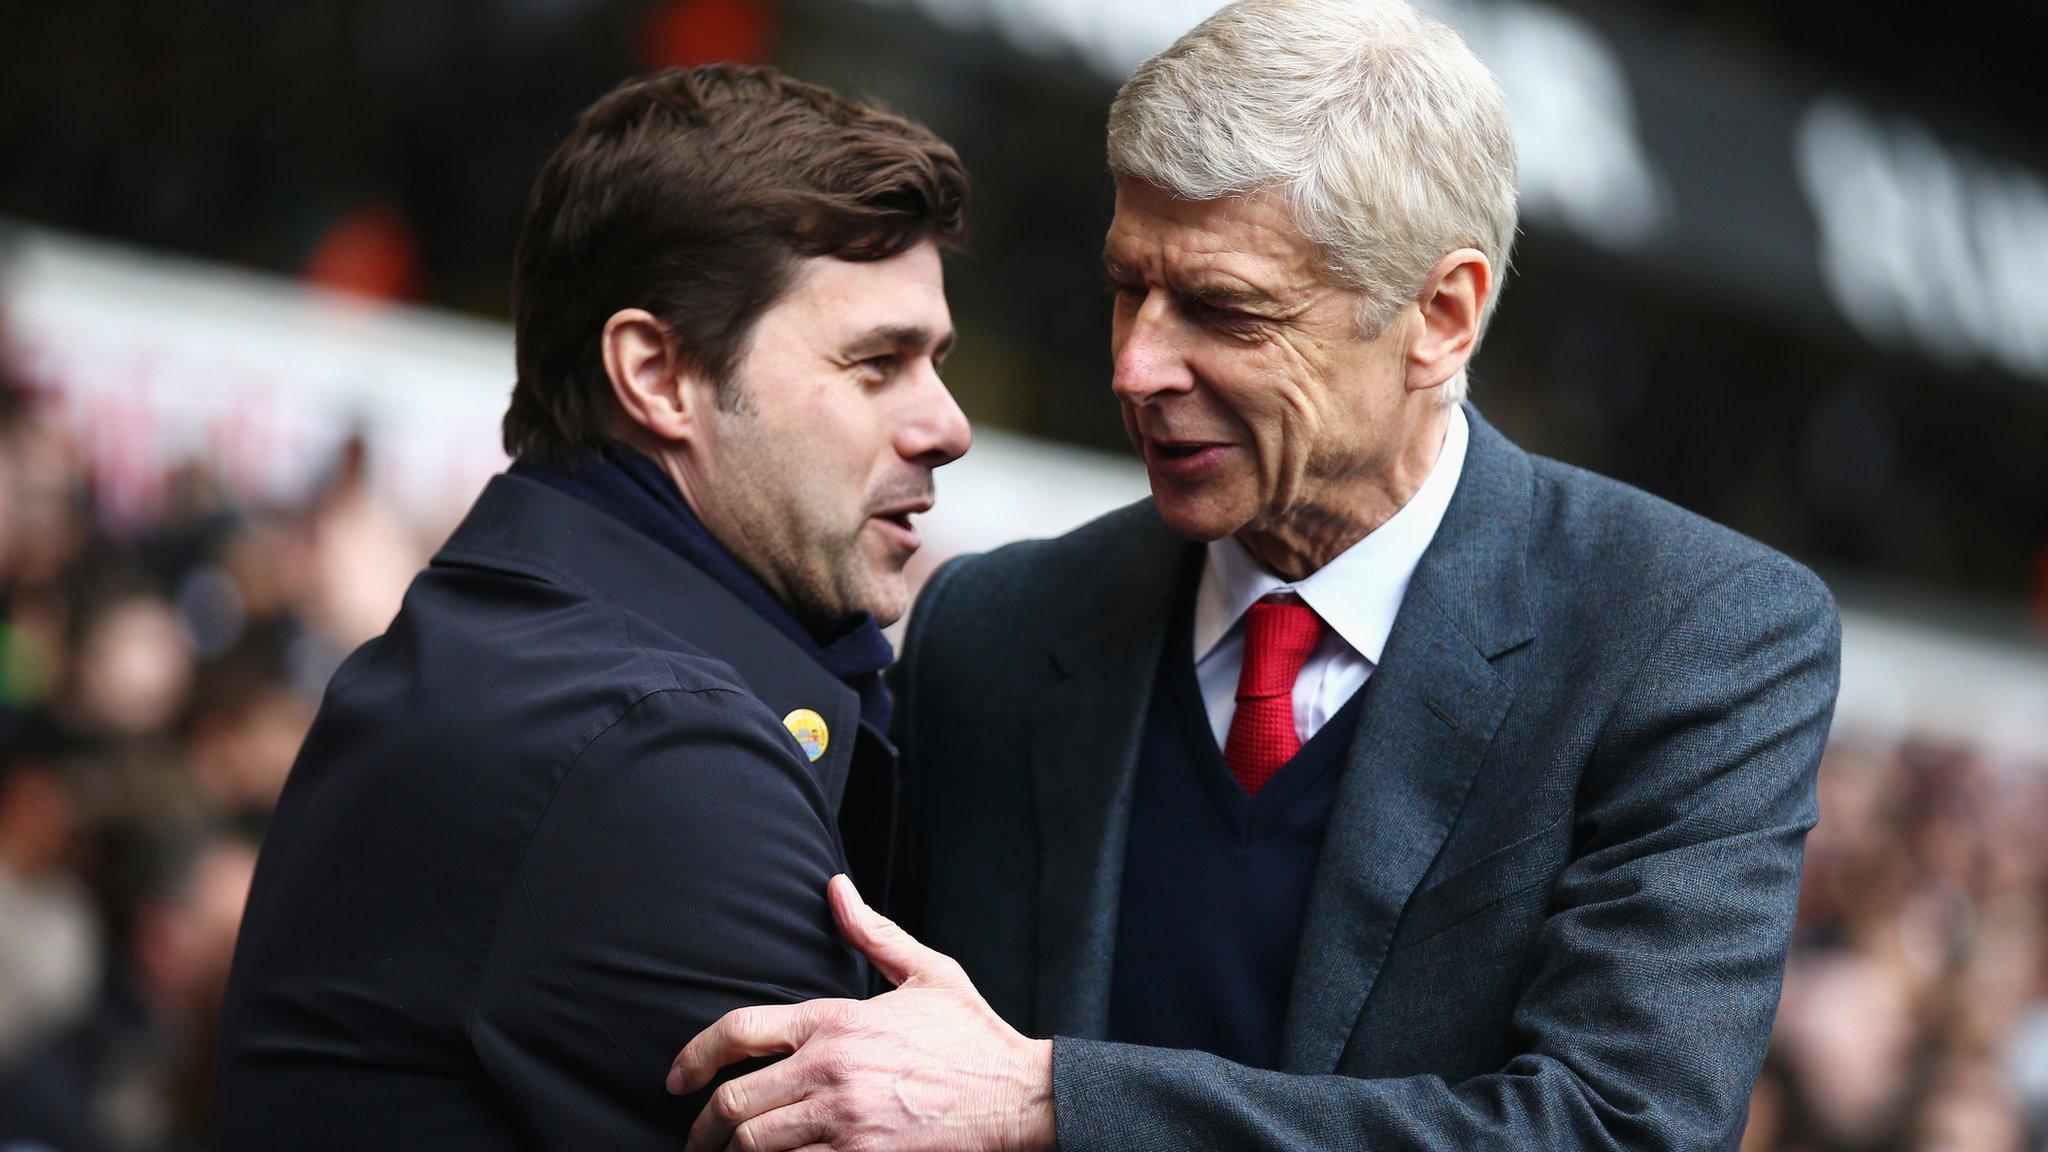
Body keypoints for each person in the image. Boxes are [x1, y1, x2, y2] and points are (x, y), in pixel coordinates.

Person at [666, 2, 1842, 1149]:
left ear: (1440, 315)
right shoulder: (993, 630)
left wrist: (1054, 1106)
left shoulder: (1692, 636)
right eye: (1127, 285)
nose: (1134, 364)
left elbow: (1616, 1127)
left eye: (1224, 310)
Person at [213, 63, 971, 1148]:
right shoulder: (651, 754)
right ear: (657, 374)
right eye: (876, 363)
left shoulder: (531, 659)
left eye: (933, 361)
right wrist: (1037, 1105)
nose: (945, 424)